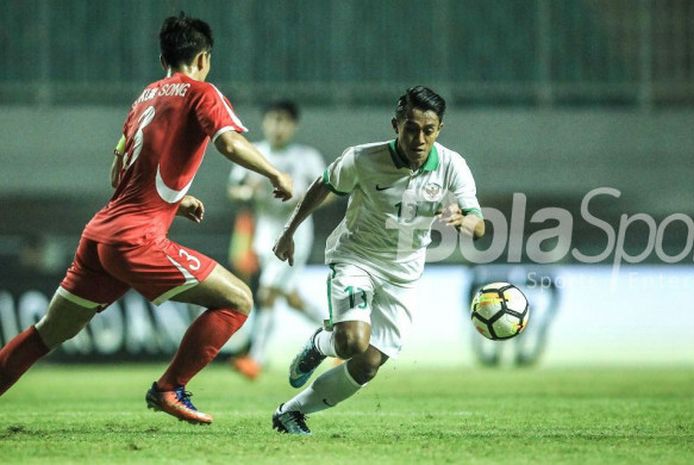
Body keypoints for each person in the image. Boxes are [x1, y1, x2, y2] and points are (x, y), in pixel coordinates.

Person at [0, 13, 293, 425]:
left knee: (47, 332)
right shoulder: (201, 92)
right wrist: (273, 172)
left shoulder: (144, 99)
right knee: (239, 300)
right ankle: (169, 387)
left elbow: (118, 175)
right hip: (136, 240)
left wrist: (177, 198)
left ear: (163, 59)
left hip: (99, 235)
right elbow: (228, 143)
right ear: (204, 58)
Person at [270, 86, 485, 435]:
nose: (419, 138)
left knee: (367, 365)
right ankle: (320, 344)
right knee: (351, 342)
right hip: (356, 258)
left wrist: (467, 222)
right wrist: (288, 231)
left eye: (428, 130)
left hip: (404, 273)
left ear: (439, 129)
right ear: (396, 125)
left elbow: (479, 224)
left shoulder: (452, 166)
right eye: (411, 128)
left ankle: (290, 413)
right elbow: (322, 185)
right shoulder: (363, 159)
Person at [227, 100, 327, 380]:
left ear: (293, 125)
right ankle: (336, 334)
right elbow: (234, 189)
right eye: (273, 120)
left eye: (284, 120)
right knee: (290, 298)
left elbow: (331, 191)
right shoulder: (255, 152)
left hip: (295, 234)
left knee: (268, 292)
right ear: (264, 122)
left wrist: (304, 202)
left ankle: (255, 359)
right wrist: (246, 193)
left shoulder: (306, 157)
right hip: (264, 234)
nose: (277, 127)